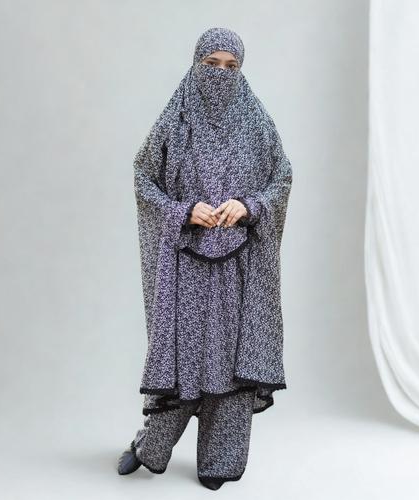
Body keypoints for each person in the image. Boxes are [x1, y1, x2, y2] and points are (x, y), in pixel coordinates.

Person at [117, 26, 293, 490]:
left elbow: (281, 179)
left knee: (233, 361)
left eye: (231, 67)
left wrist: (249, 206)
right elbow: (144, 179)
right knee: (182, 357)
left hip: (240, 266)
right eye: (211, 64)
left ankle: (221, 461)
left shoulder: (256, 123)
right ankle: (149, 447)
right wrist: (183, 211)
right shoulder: (175, 121)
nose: (221, 74)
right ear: (195, 65)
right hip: (187, 265)